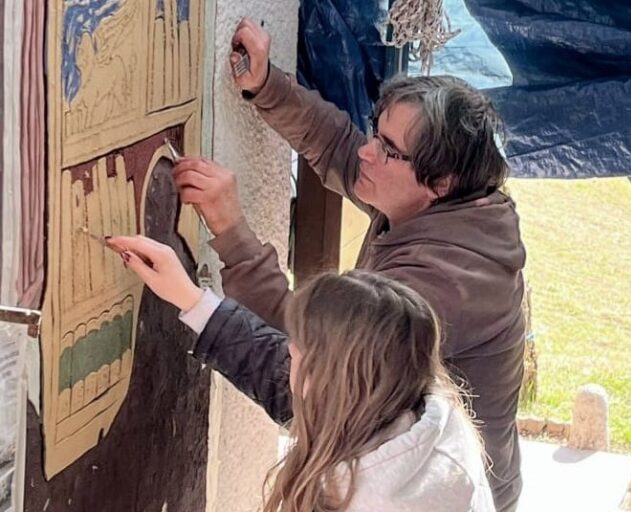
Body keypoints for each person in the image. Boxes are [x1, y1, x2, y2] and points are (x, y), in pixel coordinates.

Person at [171, 17, 527, 511]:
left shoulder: (444, 283)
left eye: (388, 150)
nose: (367, 151)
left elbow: (310, 362)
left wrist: (230, 233)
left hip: (429, 496)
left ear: (440, 182)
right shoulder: (434, 203)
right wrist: (267, 85)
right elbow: (340, 147)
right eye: (377, 133)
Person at [110, 236, 495, 511]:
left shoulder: (373, 500)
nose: (289, 350)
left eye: (300, 346)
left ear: (329, 377)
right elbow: (271, 366)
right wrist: (190, 298)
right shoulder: (402, 405)